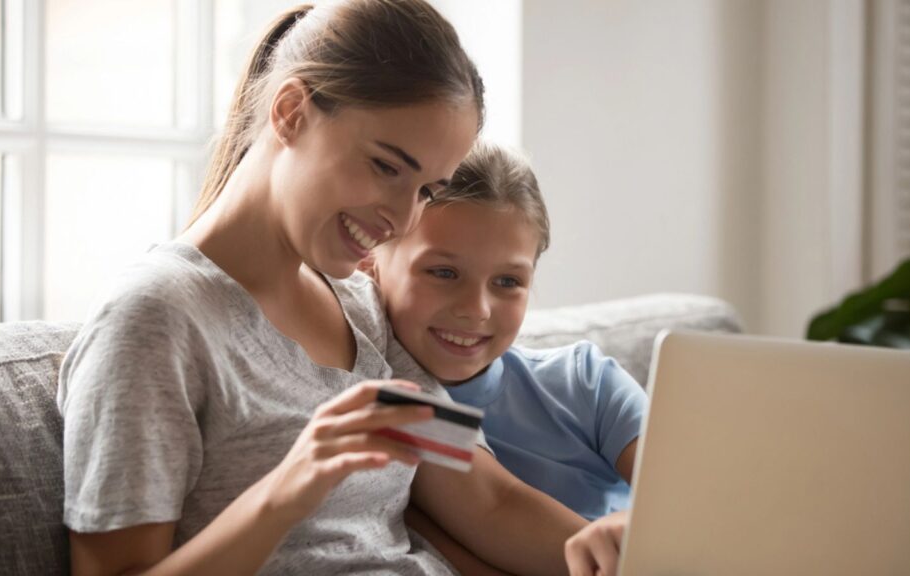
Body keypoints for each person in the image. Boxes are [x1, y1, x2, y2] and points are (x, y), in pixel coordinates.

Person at [56, 3, 585, 575]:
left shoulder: (366, 309)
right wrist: (287, 489)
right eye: (387, 167)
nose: (404, 220)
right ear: (290, 112)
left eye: (428, 190)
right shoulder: (154, 321)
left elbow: (489, 499)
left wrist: (633, 550)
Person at [365, 141, 647, 572]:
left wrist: (638, 531)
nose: (476, 309)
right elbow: (487, 514)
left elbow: (694, 505)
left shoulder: (587, 381)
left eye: (508, 281)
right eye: (443, 272)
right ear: (371, 262)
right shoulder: (395, 403)